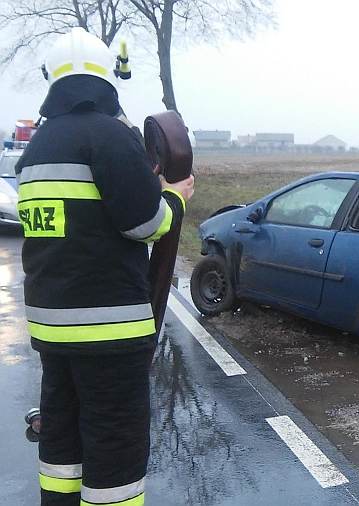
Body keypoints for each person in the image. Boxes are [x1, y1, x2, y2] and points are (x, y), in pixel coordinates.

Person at [16, 27, 194, 506]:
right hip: (109, 333)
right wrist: (176, 197)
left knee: (61, 441)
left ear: (51, 79)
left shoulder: (35, 150)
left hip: (52, 331)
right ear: (105, 78)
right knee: (114, 448)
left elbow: (75, 227)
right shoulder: (110, 137)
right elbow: (145, 223)